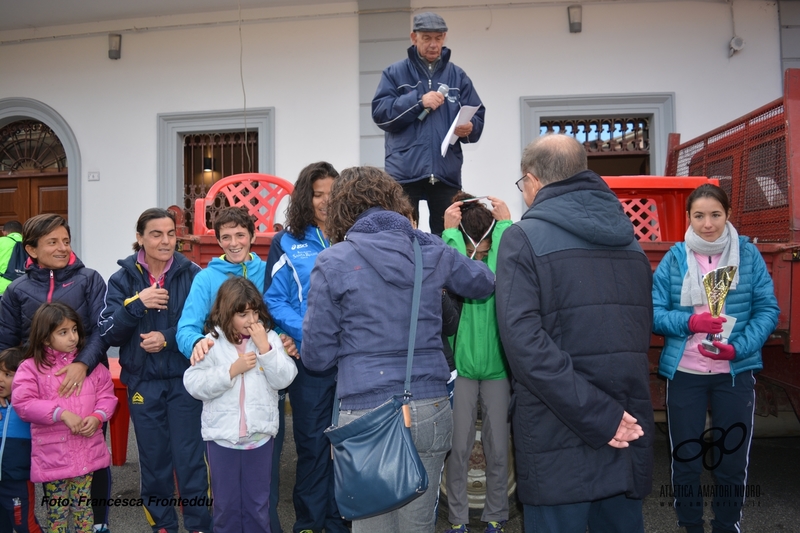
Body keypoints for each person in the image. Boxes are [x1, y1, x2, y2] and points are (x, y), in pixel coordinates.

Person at [301, 166, 495, 533]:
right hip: (428, 404)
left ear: (343, 209)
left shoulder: (333, 261)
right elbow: (484, 283)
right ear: (394, 202)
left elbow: (317, 357)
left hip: (364, 410)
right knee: (418, 526)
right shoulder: (430, 249)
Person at [495, 134, 654, 533]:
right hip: (625, 423)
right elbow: (637, 334)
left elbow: (525, 347)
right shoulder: (630, 239)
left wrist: (602, 418)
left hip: (557, 435)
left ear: (532, 181)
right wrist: (611, 417)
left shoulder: (522, 239)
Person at [652, 184, 779, 533]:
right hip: (686, 372)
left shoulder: (748, 256)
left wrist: (739, 348)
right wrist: (690, 322)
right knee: (687, 459)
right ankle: (690, 525)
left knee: (731, 460)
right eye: (699, 215)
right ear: (689, 218)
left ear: (727, 215)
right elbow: (654, 313)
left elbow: (768, 310)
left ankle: (727, 525)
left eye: (715, 215)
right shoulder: (675, 258)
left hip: (734, 373)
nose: (707, 223)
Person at [99, 208, 212, 533]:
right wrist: (138, 303)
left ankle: (199, 525)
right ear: (140, 238)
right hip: (142, 383)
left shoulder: (193, 274)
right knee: (154, 461)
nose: (165, 241)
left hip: (184, 380)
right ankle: (162, 525)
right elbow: (110, 333)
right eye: (156, 234)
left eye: (171, 234)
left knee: (190, 460)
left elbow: (207, 325)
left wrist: (168, 338)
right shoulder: (122, 279)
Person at [0, 214, 112, 533]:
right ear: (31, 249)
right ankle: (51, 525)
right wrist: (16, 382)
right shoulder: (17, 290)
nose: (62, 248)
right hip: (39, 394)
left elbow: (102, 333)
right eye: (53, 242)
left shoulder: (89, 279)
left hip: (86, 385)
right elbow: (8, 342)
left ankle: (99, 523)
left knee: (93, 457)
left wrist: (82, 364)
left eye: (66, 240)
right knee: (47, 461)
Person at [264, 162, 347, 533]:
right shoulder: (287, 241)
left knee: (347, 445)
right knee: (313, 446)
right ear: (304, 197)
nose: (326, 201)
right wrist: (312, 330)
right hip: (310, 359)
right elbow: (274, 300)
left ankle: (341, 521)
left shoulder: (353, 235)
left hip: (350, 361)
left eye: (332, 193)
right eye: (318, 194)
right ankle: (310, 523)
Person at [184, 277, 297, 533]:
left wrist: (265, 350)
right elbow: (193, 382)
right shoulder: (212, 342)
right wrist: (230, 372)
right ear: (226, 312)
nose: (251, 320)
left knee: (258, 505)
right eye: (243, 314)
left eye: (255, 312)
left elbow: (285, 379)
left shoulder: (269, 340)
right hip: (222, 438)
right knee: (225, 507)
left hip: (260, 437)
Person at [371, 12, 485, 235]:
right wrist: (418, 101)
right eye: (427, 38)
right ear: (414, 38)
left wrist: (470, 128)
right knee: (402, 235)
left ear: (444, 38)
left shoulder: (458, 76)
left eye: (439, 38)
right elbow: (381, 114)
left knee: (448, 237)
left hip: (446, 172)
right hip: (404, 172)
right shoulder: (394, 73)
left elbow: (477, 114)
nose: (434, 44)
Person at [13, 302, 118, 533]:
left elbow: (107, 396)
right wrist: (61, 413)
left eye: (74, 330)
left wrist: (98, 417)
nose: (72, 337)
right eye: (63, 332)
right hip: (54, 457)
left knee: (84, 512)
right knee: (57, 515)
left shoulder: (87, 365)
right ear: (45, 338)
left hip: (86, 452)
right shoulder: (31, 368)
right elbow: (23, 404)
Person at [441, 193, 512, 533]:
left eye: (485, 253)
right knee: (459, 449)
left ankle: (496, 514)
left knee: (498, 447)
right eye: (475, 253)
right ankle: (457, 519)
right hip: (463, 371)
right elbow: (449, 264)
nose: (479, 260)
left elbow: (504, 257)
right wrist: (451, 232)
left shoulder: (499, 261)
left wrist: (506, 224)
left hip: (498, 371)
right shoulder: (457, 256)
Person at [0, 347, 43, 533]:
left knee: (25, 525)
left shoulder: (28, 407)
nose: (0, 379)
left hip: (17, 481)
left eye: (8, 374)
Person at [0, 220, 23, 297]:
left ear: (4, 232)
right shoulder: (29, 243)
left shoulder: (1, 241)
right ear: (22, 233)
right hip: (24, 287)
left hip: (2, 287)